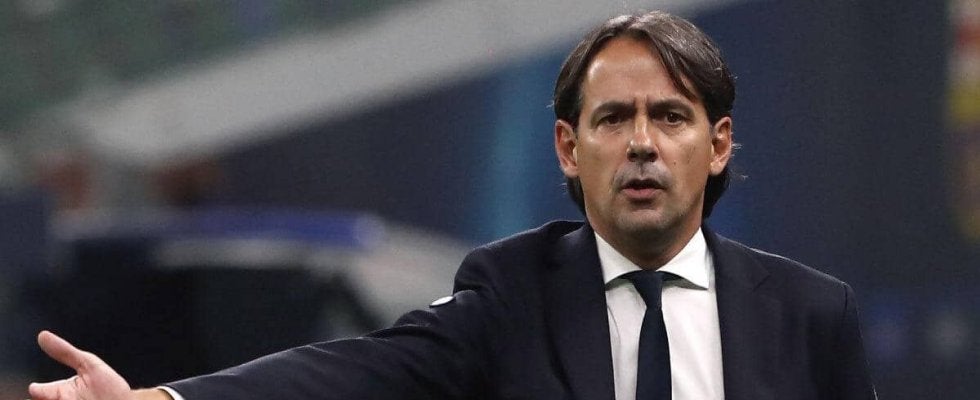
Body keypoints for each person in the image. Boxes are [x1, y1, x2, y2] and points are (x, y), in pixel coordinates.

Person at [28, 10, 876, 400]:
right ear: (569, 148)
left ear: (718, 144)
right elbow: (348, 375)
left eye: (672, 118)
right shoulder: (512, 294)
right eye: (614, 118)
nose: (643, 144)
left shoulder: (810, 314)